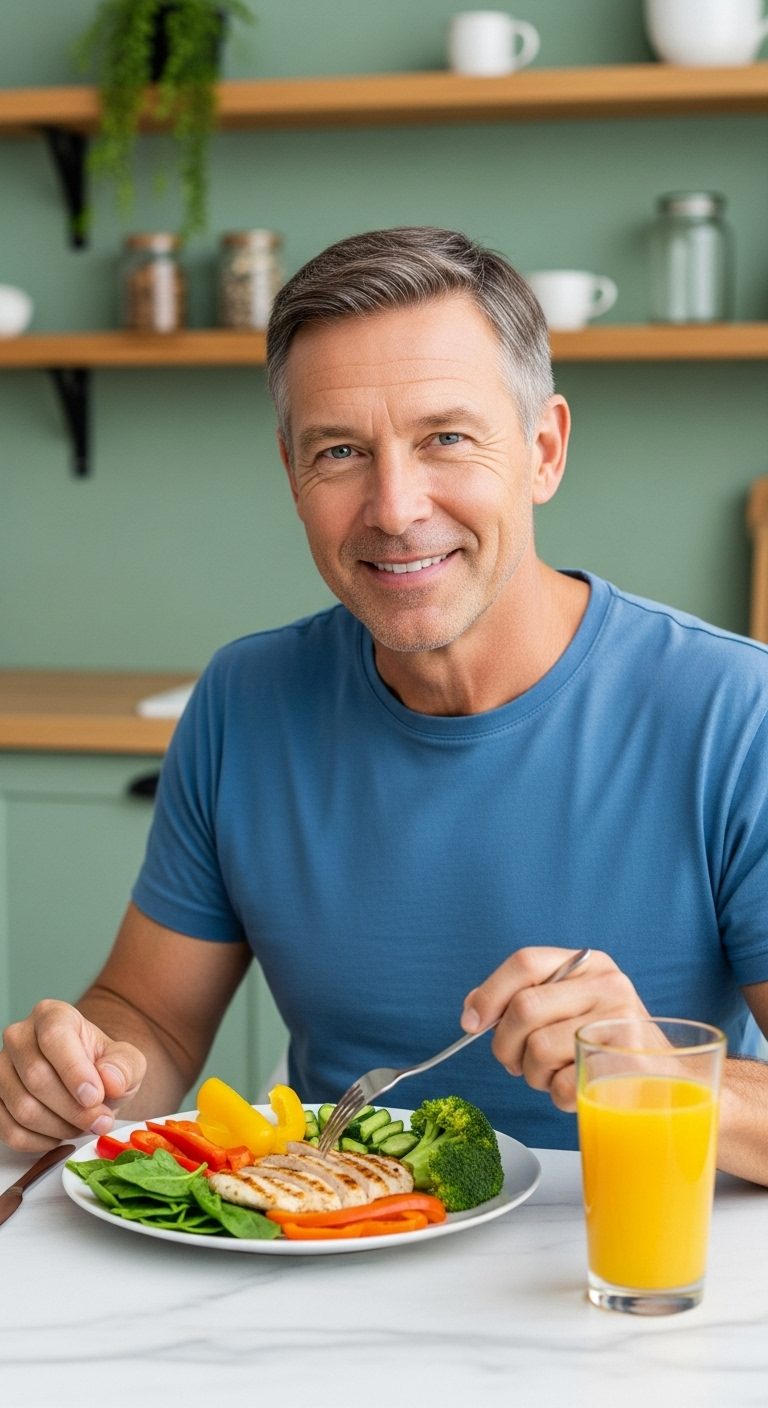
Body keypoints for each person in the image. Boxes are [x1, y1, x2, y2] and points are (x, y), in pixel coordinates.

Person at [3, 227, 768, 1181]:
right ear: (292, 474)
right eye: (340, 452)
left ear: (543, 450)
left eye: (445, 438)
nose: (395, 507)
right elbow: (151, 1015)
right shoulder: (245, 701)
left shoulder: (738, 712)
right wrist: (86, 1069)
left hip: (627, 1265)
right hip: (324, 1246)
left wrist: (660, 1075)